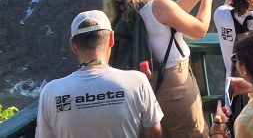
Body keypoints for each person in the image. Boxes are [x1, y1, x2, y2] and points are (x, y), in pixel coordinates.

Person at [103, 0, 219, 138]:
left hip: (143, 88)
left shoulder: (123, 7)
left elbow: (173, 15)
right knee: (192, 133)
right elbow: (199, 30)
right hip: (174, 85)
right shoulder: (158, 6)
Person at [37, 10, 163, 138]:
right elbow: (154, 133)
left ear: (73, 45)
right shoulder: (137, 81)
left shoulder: (51, 92)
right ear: (111, 39)